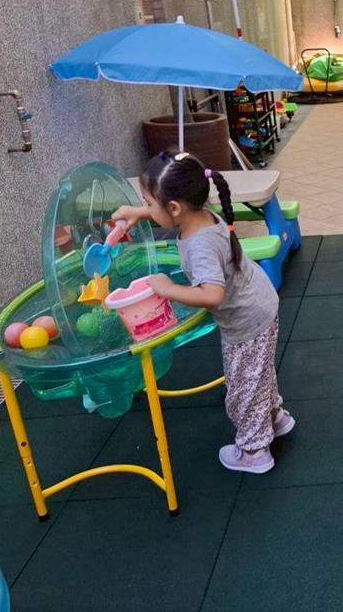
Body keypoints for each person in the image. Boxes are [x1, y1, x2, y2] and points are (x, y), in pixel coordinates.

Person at [113, 150, 294, 474]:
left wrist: (167, 288)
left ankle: (254, 451)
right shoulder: (199, 214)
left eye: (148, 202)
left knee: (242, 388)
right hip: (259, 304)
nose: (147, 208)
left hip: (246, 321)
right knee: (257, 373)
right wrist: (138, 213)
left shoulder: (200, 244)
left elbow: (212, 294)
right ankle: (274, 418)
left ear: (174, 207)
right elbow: (168, 211)